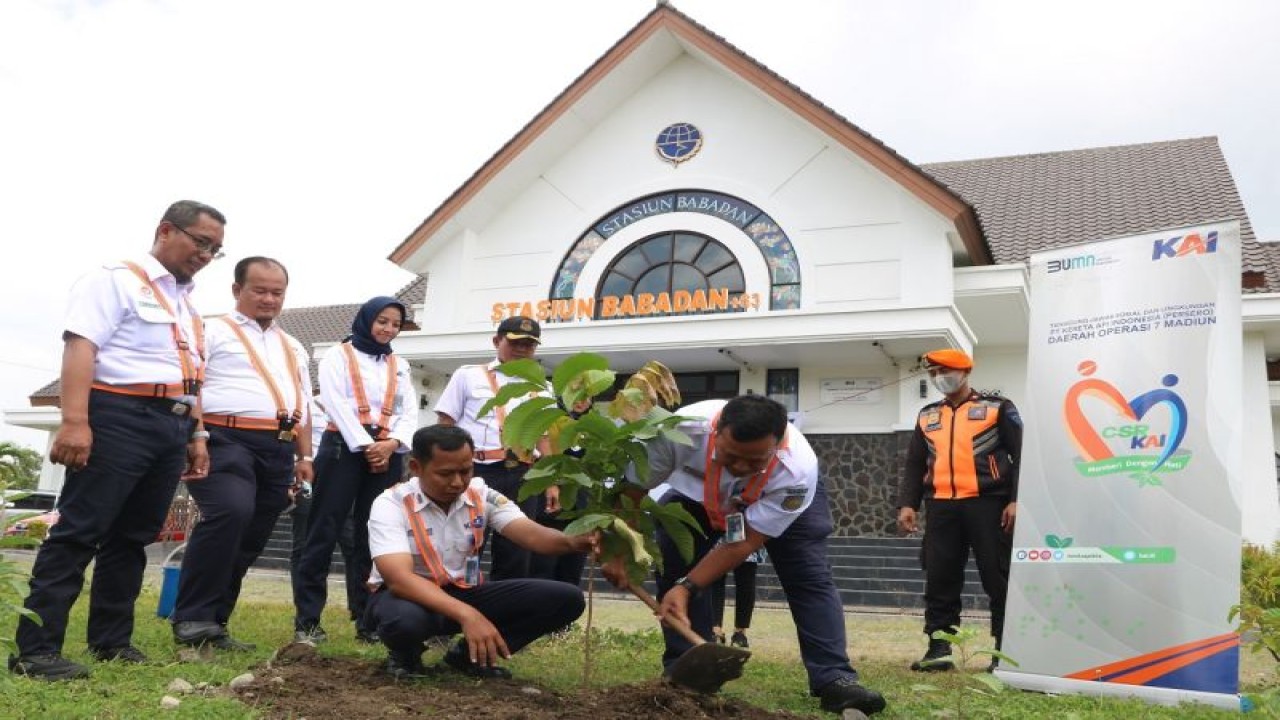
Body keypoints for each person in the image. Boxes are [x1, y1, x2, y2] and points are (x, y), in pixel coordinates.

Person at [9, 201, 225, 680]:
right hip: (119, 415)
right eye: (201, 242)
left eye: (215, 249)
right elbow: (81, 346)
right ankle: (36, 651)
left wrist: (197, 433)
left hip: (172, 424)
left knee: (133, 537)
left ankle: (111, 641)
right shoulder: (115, 280)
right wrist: (74, 421)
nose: (206, 255)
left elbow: (192, 375)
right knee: (79, 532)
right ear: (165, 230)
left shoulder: (186, 304)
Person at [605, 395, 887, 716]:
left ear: (777, 445)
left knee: (808, 576)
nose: (739, 467)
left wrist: (687, 587)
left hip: (775, 501)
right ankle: (688, 672)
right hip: (697, 497)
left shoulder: (796, 470)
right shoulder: (678, 432)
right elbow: (631, 493)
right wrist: (618, 550)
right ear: (716, 432)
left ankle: (834, 678)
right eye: (730, 455)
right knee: (675, 556)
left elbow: (744, 542)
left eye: (753, 461)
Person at [367, 424, 595, 679]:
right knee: (404, 621)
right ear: (416, 467)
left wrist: (573, 542)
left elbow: (531, 534)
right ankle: (405, 656)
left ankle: (469, 656)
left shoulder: (481, 494)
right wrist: (468, 615)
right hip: (409, 597)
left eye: (465, 471)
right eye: (445, 474)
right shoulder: (390, 504)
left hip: (464, 590)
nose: (457, 482)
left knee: (566, 599)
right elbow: (399, 580)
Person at [170, 257, 312, 651]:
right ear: (237, 290)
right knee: (230, 512)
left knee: (253, 533)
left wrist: (305, 457)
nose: (269, 299)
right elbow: (191, 385)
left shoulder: (293, 345)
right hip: (224, 438)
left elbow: (304, 403)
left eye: (277, 292)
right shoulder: (210, 330)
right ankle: (192, 616)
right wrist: (197, 434)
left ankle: (215, 621)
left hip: (279, 445)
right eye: (259, 290)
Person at [292, 297, 417, 644]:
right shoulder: (338, 355)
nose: (388, 329)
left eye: (395, 324)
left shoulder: (400, 365)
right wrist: (365, 445)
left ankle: (367, 619)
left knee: (373, 534)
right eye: (382, 321)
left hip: (387, 452)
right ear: (366, 320)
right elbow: (334, 402)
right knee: (323, 530)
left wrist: (392, 444)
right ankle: (308, 620)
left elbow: (408, 411)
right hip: (342, 448)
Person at [897, 349, 1021, 672]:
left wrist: (1016, 499)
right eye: (934, 373)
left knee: (998, 577)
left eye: (945, 371)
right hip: (941, 506)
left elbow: (1022, 455)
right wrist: (908, 504)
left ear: (965, 372)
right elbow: (915, 463)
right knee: (940, 578)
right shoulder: (927, 415)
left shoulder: (997, 408)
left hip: (990, 504)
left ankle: (1004, 650)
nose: (939, 378)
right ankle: (939, 649)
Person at [434, 316, 554, 580]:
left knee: (517, 549)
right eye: (515, 342)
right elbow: (445, 424)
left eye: (528, 344)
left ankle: (508, 603)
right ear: (497, 341)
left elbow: (544, 438)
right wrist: (442, 470)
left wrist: (552, 482)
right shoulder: (468, 375)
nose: (521, 349)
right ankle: (459, 599)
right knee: (466, 542)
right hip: (476, 471)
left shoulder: (544, 387)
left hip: (524, 474)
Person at [286, 395, 371, 641]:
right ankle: (306, 616)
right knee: (307, 545)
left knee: (353, 544)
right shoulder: (305, 405)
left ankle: (360, 611)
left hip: (342, 480)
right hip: (309, 482)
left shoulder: (354, 407)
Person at [709, 545, 764, 648]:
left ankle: (740, 633)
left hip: (748, 537)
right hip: (718, 538)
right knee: (715, 577)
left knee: (746, 574)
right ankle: (715, 629)